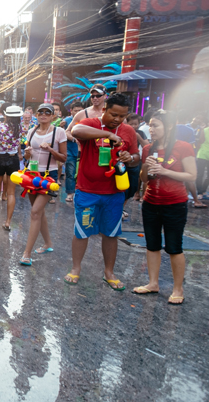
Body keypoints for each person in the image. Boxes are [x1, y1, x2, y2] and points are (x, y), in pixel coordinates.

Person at [64, 93, 138, 289]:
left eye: (122, 116)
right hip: (87, 191)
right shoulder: (92, 123)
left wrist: (129, 158)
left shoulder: (128, 131)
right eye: (114, 114)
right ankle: (76, 268)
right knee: (82, 231)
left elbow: (137, 155)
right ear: (105, 110)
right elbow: (77, 130)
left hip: (114, 193)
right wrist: (107, 134)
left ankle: (109, 272)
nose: (117, 119)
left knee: (111, 233)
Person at [134, 110, 197, 304]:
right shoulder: (148, 149)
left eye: (155, 125)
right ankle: (153, 283)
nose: (151, 129)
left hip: (175, 204)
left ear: (169, 126)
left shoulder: (183, 147)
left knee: (174, 247)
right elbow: (144, 179)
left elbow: (191, 175)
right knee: (152, 245)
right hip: (151, 202)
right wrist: (146, 168)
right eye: (150, 125)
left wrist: (164, 171)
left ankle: (178, 289)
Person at [19, 103, 67, 265]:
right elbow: (27, 155)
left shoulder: (59, 132)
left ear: (53, 116)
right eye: (41, 112)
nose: (44, 115)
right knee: (39, 213)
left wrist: (51, 150)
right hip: (32, 174)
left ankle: (26, 253)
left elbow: (63, 158)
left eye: (48, 112)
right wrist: (26, 154)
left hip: (49, 177)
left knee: (35, 212)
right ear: (36, 115)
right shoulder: (31, 131)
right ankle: (48, 244)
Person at [0, 105, 23, 230]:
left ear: (6, 115)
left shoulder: (0, 126)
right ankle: (8, 221)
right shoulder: (21, 128)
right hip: (13, 159)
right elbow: (19, 143)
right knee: (11, 193)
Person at [124, 113, 149, 215]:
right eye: (131, 124)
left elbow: (147, 146)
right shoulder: (124, 132)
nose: (134, 126)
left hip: (136, 160)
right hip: (125, 161)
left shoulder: (141, 133)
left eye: (136, 124)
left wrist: (139, 137)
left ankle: (137, 194)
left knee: (134, 183)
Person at [62, 101, 84, 202]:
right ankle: (70, 193)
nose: (78, 112)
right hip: (70, 151)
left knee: (81, 173)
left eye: (80, 110)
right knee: (70, 172)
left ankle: (80, 192)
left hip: (83, 152)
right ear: (71, 111)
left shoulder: (86, 120)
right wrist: (74, 139)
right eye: (76, 111)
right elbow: (64, 133)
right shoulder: (67, 120)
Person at [196, 122, 209, 199]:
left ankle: (201, 192)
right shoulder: (205, 130)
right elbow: (200, 141)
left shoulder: (204, 130)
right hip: (203, 154)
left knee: (200, 174)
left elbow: (200, 141)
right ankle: (201, 192)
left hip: (202, 154)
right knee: (201, 174)